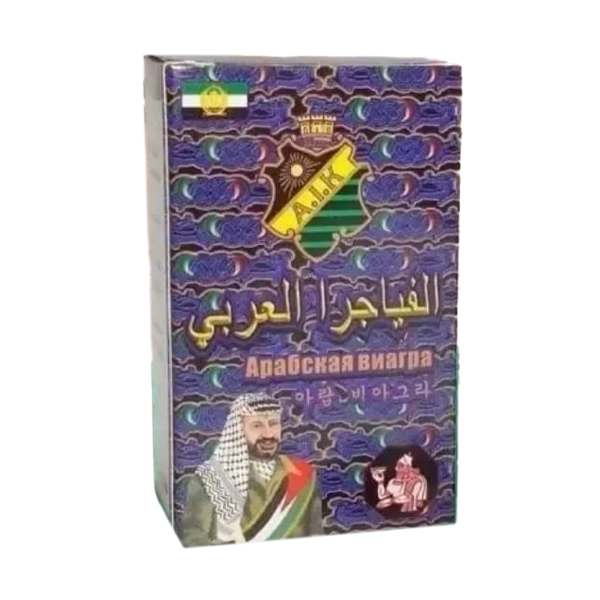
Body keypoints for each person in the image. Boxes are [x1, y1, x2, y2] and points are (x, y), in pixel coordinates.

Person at [181, 392, 322, 545]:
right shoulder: (211, 476)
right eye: (257, 425)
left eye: (273, 423)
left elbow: (316, 535)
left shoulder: (303, 472)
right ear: (239, 430)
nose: (268, 434)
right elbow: (194, 537)